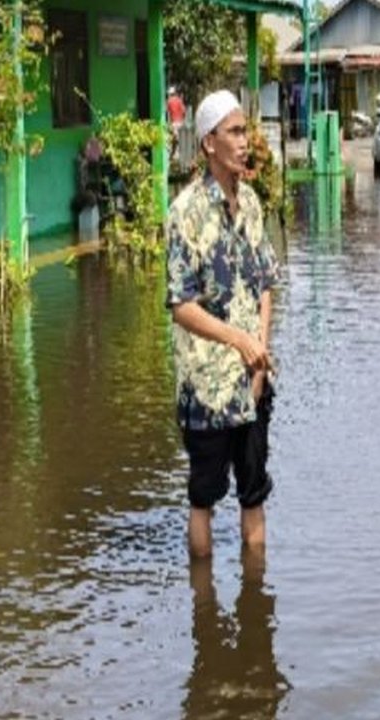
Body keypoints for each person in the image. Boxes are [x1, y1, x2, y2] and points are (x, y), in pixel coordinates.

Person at [166, 89, 278, 560]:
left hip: (252, 381)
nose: (244, 140)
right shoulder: (185, 213)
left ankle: (257, 596)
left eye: (245, 130)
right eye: (233, 132)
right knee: (203, 499)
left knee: (254, 493)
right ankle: (203, 599)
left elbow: (266, 284)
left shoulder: (250, 202)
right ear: (209, 143)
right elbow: (181, 304)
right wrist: (238, 341)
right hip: (207, 387)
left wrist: (259, 353)